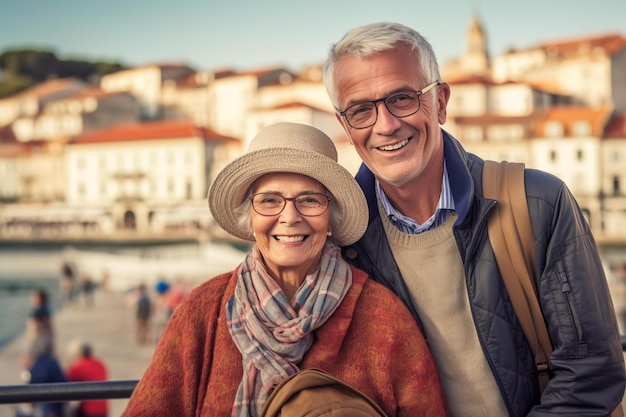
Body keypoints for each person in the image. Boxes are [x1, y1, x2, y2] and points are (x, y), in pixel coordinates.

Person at [321, 21, 626, 416]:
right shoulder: (342, 239)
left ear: (441, 102)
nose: (386, 124)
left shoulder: (538, 203)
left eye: (402, 98)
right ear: (345, 126)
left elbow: (591, 373)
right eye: (362, 109)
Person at [121, 122, 449, 417]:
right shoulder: (201, 312)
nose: (289, 217)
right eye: (269, 201)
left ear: (331, 216)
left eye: (309, 200)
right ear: (249, 216)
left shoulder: (384, 317)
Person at [66, 339, 109, 417]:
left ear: (77, 354)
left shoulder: (78, 367)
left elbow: (66, 383)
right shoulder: (99, 363)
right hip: (103, 409)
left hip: (89, 410)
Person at [22, 289, 55, 370]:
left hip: (39, 339)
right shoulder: (46, 310)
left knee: (31, 359)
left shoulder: (37, 311)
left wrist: (32, 341)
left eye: (34, 297)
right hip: (45, 337)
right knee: (45, 358)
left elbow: (35, 327)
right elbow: (50, 326)